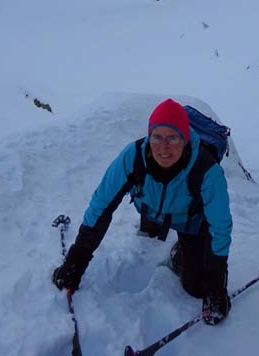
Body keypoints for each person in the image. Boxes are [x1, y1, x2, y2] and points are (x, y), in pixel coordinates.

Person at [52, 98, 232, 325]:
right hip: (151, 209)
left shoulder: (207, 170)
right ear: (149, 136)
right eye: (157, 137)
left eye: (173, 138)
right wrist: (75, 263)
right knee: (153, 216)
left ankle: (179, 252)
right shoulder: (133, 157)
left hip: (190, 220)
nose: (163, 147)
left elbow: (220, 227)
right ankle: (158, 228)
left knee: (197, 288)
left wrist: (216, 286)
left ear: (185, 139)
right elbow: (101, 205)